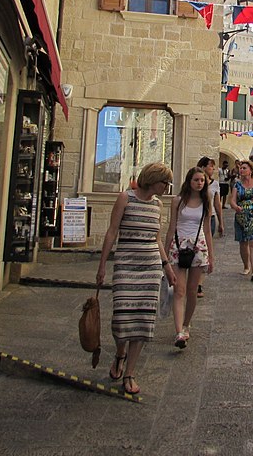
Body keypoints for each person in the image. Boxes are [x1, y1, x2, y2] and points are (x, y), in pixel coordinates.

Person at [96, 162, 176, 396]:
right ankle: (120, 354)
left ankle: (129, 372)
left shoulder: (159, 205)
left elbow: (157, 239)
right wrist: (102, 265)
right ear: (152, 179)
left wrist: (167, 267)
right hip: (126, 264)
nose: (166, 187)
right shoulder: (125, 198)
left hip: (150, 266)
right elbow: (112, 232)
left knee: (142, 318)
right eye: (164, 182)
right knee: (122, 317)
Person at [165, 167, 213, 347]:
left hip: (198, 247)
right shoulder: (178, 201)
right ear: (189, 181)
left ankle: (186, 324)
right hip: (179, 245)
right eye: (196, 180)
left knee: (192, 291)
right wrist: (165, 251)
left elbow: (207, 230)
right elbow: (172, 226)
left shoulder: (205, 202)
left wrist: (211, 256)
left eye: (202, 180)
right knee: (179, 290)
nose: (199, 183)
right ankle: (179, 332)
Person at [195, 156, 223, 299]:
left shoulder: (215, 184)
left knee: (204, 249)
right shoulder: (194, 182)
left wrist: (221, 222)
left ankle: (199, 283)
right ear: (204, 167)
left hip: (210, 219)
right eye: (211, 166)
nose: (213, 169)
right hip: (196, 219)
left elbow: (217, 204)